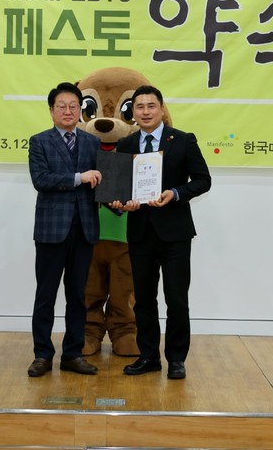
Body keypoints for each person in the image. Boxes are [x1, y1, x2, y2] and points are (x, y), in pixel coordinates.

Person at [111, 85, 211, 379]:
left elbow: (203, 180)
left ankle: (176, 358)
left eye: (151, 106)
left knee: (176, 299)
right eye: (139, 107)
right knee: (143, 300)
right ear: (133, 112)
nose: (145, 112)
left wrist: (176, 193)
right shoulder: (126, 145)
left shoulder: (182, 140)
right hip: (140, 233)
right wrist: (121, 203)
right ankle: (148, 356)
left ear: (162, 109)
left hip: (175, 234)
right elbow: (116, 192)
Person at [27, 82, 102, 377]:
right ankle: (42, 355)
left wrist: (119, 200)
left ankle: (73, 354)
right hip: (51, 230)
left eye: (73, 106)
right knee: (45, 295)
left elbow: (102, 183)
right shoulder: (39, 142)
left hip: (84, 229)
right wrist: (78, 177)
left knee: (78, 296)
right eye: (62, 106)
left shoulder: (93, 142)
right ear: (51, 110)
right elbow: (41, 180)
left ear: (80, 109)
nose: (68, 111)